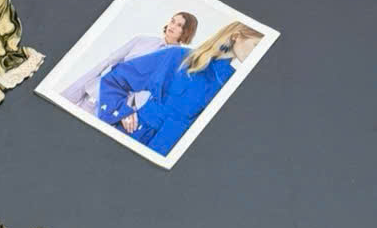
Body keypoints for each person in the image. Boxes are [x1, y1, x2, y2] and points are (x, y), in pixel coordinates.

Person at [97, 20, 264, 156]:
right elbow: (115, 79)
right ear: (236, 36)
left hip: (176, 155)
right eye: (256, 46)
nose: (259, 55)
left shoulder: (235, 85)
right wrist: (122, 110)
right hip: (134, 135)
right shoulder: (178, 57)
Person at [61, 11, 198, 112]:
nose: (172, 26)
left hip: (122, 111)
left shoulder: (179, 62)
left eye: (179, 25)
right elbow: (106, 63)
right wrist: (71, 94)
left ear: (186, 32)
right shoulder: (142, 40)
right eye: (172, 21)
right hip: (97, 96)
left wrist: (131, 110)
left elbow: (160, 92)